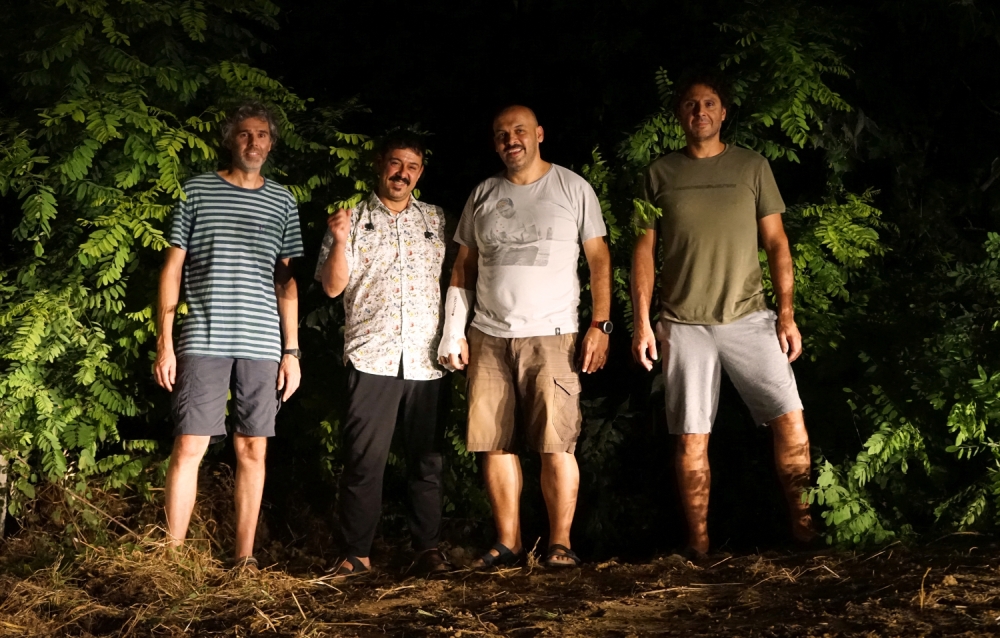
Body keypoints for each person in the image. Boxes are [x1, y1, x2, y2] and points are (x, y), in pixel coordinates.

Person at [630, 73, 817, 557]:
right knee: (691, 438)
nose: (700, 112)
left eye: (709, 103)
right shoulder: (659, 173)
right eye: (691, 105)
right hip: (682, 323)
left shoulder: (752, 166)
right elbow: (644, 252)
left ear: (723, 112)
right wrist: (642, 322)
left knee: (790, 420)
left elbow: (777, 243)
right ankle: (699, 548)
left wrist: (787, 314)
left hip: (749, 317)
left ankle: (806, 532)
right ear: (680, 115)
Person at [439, 105, 612, 569]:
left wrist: (600, 325)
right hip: (489, 335)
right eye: (501, 134)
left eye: (519, 131)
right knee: (494, 442)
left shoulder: (572, 187)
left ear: (539, 134)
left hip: (553, 335)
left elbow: (599, 259)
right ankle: (507, 542)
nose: (510, 140)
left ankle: (560, 544)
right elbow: (463, 266)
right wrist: (453, 331)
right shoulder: (483, 193)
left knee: (557, 443)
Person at [155, 101, 304, 569]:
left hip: (262, 342)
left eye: (262, 135)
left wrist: (292, 351)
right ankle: (171, 560)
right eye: (244, 134)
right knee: (190, 444)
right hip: (203, 337)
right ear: (230, 140)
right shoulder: (196, 190)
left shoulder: (283, 201)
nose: (253, 142)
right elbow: (172, 268)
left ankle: (244, 560)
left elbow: (286, 281)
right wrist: (164, 342)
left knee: (253, 447)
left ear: (271, 144)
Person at [316, 134, 451, 578]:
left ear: (421, 172)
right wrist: (340, 240)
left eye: (412, 166)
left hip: (427, 360)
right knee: (363, 461)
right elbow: (332, 287)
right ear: (380, 165)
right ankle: (357, 553)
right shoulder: (351, 219)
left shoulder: (436, 219)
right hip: (371, 356)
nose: (402, 173)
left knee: (427, 462)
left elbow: (457, 283)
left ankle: (427, 550)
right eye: (395, 163)